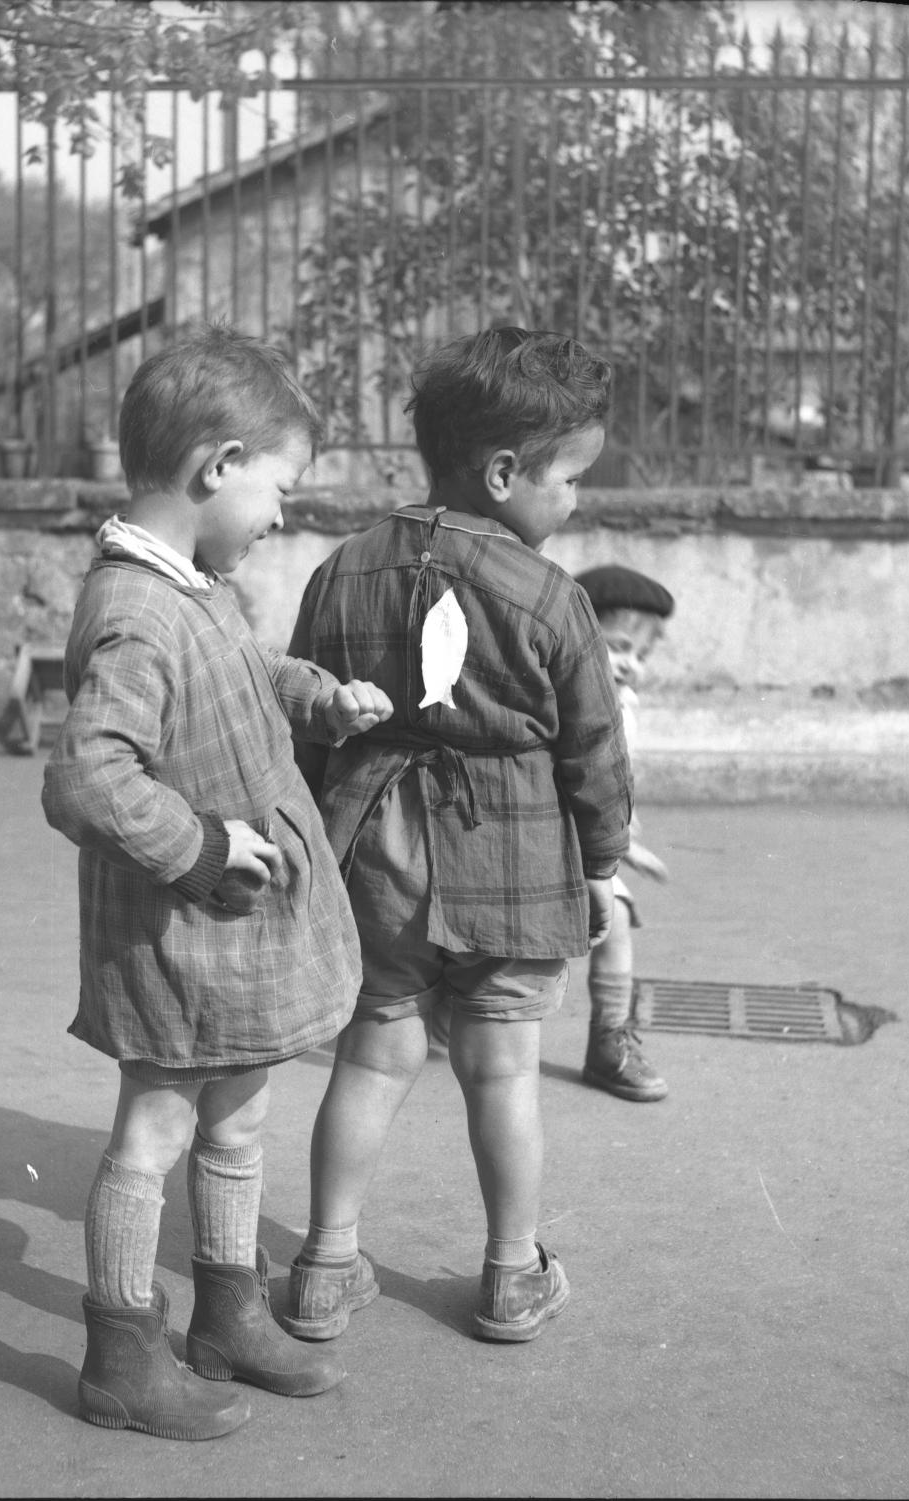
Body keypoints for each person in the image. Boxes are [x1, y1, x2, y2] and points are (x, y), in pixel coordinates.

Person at [41, 327, 393, 1441]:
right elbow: (88, 777)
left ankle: (228, 1311)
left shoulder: (192, 588)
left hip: (229, 940)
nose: (282, 513)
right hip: (178, 931)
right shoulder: (137, 611)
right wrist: (199, 845)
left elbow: (237, 675)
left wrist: (314, 694)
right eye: (279, 487)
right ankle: (119, 1352)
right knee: (155, 1129)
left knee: (239, 1115)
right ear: (216, 467)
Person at [280, 327, 632, 1346]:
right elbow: (595, 751)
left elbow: (305, 715)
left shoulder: (341, 570)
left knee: (374, 1053)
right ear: (506, 471)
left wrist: (314, 838)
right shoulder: (549, 594)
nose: (575, 500)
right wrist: (603, 860)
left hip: (372, 846)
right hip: (510, 856)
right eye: (570, 479)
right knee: (502, 1069)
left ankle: (323, 1266)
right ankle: (512, 1276)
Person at [573, 564, 674, 1102]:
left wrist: (626, 828)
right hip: (556, 834)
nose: (630, 664)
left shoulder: (622, 704)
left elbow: (616, 776)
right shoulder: (561, 696)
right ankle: (452, 1008)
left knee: (615, 927)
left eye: (642, 655)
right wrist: (623, 843)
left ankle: (609, 1038)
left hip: (595, 843)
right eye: (618, 646)